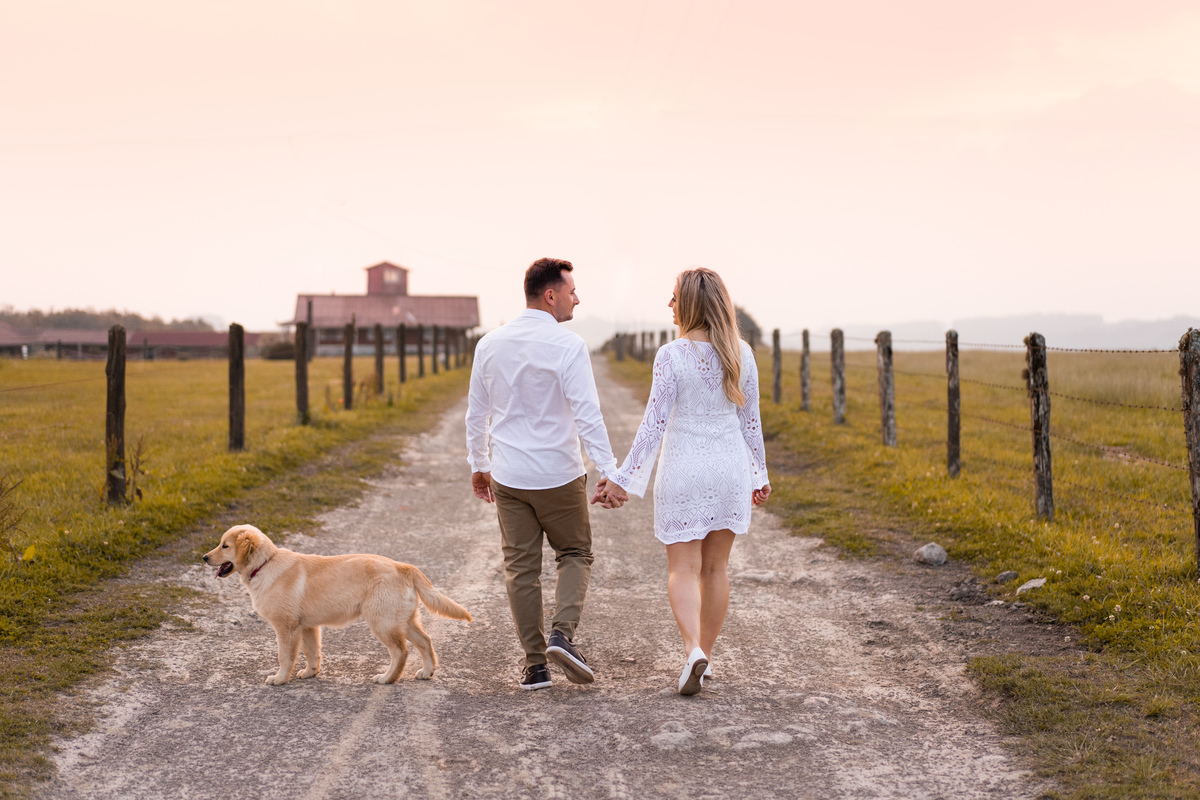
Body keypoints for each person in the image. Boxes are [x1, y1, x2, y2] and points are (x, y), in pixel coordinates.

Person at [593, 268, 769, 696]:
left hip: (685, 469)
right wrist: (759, 473)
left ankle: (693, 650)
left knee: (683, 568)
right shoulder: (742, 353)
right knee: (716, 569)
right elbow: (751, 423)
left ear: (690, 304)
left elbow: (653, 426)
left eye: (673, 298)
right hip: (729, 468)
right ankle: (703, 657)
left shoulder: (672, 355)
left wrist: (621, 479)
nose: (669, 305)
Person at [466, 257, 628, 691]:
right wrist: (609, 471)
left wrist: (478, 465)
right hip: (559, 473)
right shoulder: (568, 345)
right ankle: (562, 635)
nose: (578, 298)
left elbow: (476, 413)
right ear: (551, 295)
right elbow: (587, 415)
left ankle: (535, 666)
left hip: (509, 475)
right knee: (575, 553)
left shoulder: (490, 344)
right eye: (572, 291)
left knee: (520, 568)